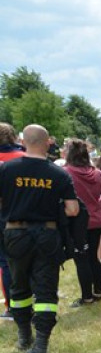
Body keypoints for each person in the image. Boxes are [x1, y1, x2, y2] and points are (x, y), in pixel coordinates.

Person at [0, 124, 79, 353]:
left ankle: (25, 336)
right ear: (47, 143)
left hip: (15, 235)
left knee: (18, 287)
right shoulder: (59, 174)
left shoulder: (6, 169)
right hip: (47, 235)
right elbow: (73, 209)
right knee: (45, 290)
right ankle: (42, 344)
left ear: (23, 142)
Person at [64, 140, 101, 306]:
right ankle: (99, 292)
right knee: (93, 257)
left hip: (76, 222)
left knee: (81, 259)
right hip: (96, 220)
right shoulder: (98, 173)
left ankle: (87, 297)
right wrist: (95, 205)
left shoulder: (66, 173)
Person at [1, 122, 27, 319]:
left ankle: (12, 307)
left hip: (4, 219)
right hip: (32, 218)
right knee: (30, 261)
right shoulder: (28, 157)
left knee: (5, 262)